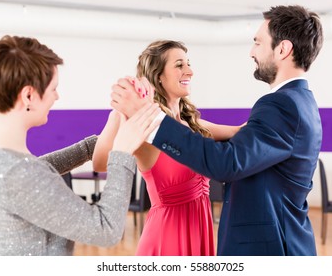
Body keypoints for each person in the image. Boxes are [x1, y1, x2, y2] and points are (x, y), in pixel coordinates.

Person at [111, 5, 324, 256]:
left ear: (283, 49)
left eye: (258, 43)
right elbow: (240, 151)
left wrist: (152, 119)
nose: (251, 52)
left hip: (272, 246)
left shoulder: (282, 105)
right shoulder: (299, 101)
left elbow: (226, 163)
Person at [0, 35, 160, 256]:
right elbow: (106, 230)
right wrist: (123, 151)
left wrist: (104, 133)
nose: (57, 96)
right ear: (28, 95)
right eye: (53, 88)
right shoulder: (20, 175)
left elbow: (36, 171)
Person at [93, 40, 243, 256]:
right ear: (158, 75)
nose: (189, 71)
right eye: (179, 65)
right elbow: (100, 162)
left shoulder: (192, 125)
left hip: (201, 232)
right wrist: (119, 115)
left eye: (188, 64)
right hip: (167, 238)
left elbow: (237, 132)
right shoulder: (143, 123)